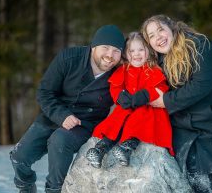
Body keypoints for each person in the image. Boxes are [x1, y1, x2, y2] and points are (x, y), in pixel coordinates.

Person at [9, 25, 125, 193]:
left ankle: (54, 190)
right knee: (19, 158)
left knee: (59, 140)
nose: (110, 55)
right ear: (93, 46)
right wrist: (62, 116)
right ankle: (26, 187)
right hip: (52, 116)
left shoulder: (120, 74)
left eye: (116, 51)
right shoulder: (69, 58)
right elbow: (45, 92)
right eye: (105, 48)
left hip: (85, 124)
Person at [141, 15, 212, 193]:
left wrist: (165, 101)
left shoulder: (200, 45)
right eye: (151, 35)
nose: (158, 37)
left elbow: (201, 86)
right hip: (185, 129)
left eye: (161, 29)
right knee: (196, 178)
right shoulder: (157, 62)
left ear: (172, 28)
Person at [86, 32, 174, 169]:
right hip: (127, 107)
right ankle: (100, 148)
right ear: (126, 54)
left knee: (139, 121)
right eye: (132, 50)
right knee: (117, 121)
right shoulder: (123, 69)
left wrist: (145, 95)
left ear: (148, 51)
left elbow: (161, 87)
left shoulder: (153, 70)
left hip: (148, 108)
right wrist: (120, 96)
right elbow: (115, 86)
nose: (136, 54)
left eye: (140, 50)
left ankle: (126, 148)